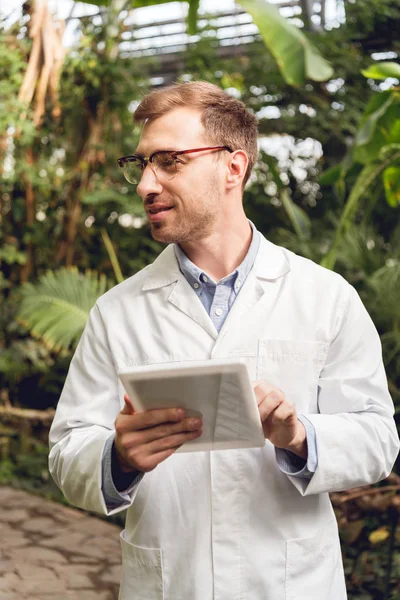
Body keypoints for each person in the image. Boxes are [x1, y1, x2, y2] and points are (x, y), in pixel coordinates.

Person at [49, 81, 399, 600]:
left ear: (233, 167)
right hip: (170, 583)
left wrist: (299, 436)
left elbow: (377, 439)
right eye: (141, 163)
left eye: (169, 161)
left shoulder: (325, 296)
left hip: (289, 584)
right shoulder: (117, 311)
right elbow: (67, 448)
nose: (146, 183)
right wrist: (118, 458)